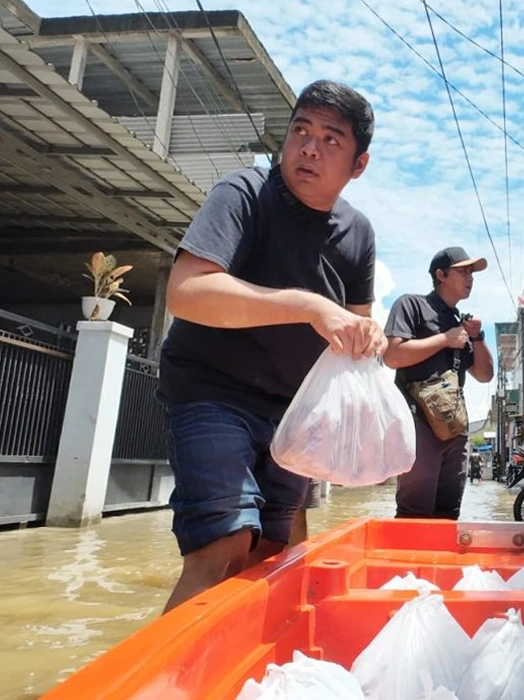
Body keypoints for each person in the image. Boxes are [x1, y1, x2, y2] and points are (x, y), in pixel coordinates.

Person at [157, 80, 386, 613]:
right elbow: (186, 291)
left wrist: (367, 336)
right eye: (301, 131)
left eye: (331, 139)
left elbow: (356, 331)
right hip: (211, 392)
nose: (309, 147)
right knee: (223, 543)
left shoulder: (359, 235)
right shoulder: (242, 194)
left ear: (359, 165)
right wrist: (308, 306)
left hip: (294, 415)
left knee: (270, 552)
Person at [384, 247, 495, 519]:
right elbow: (392, 355)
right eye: (463, 271)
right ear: (441, 274)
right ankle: (411, 562)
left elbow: (484, 375)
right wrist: (445, 339)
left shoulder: (462, 323)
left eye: (472, 272)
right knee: (414, 512)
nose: (471, 278)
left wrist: (478, 337)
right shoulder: (411, 305)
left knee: (449, 513)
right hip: (418, 423)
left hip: (455, 427)